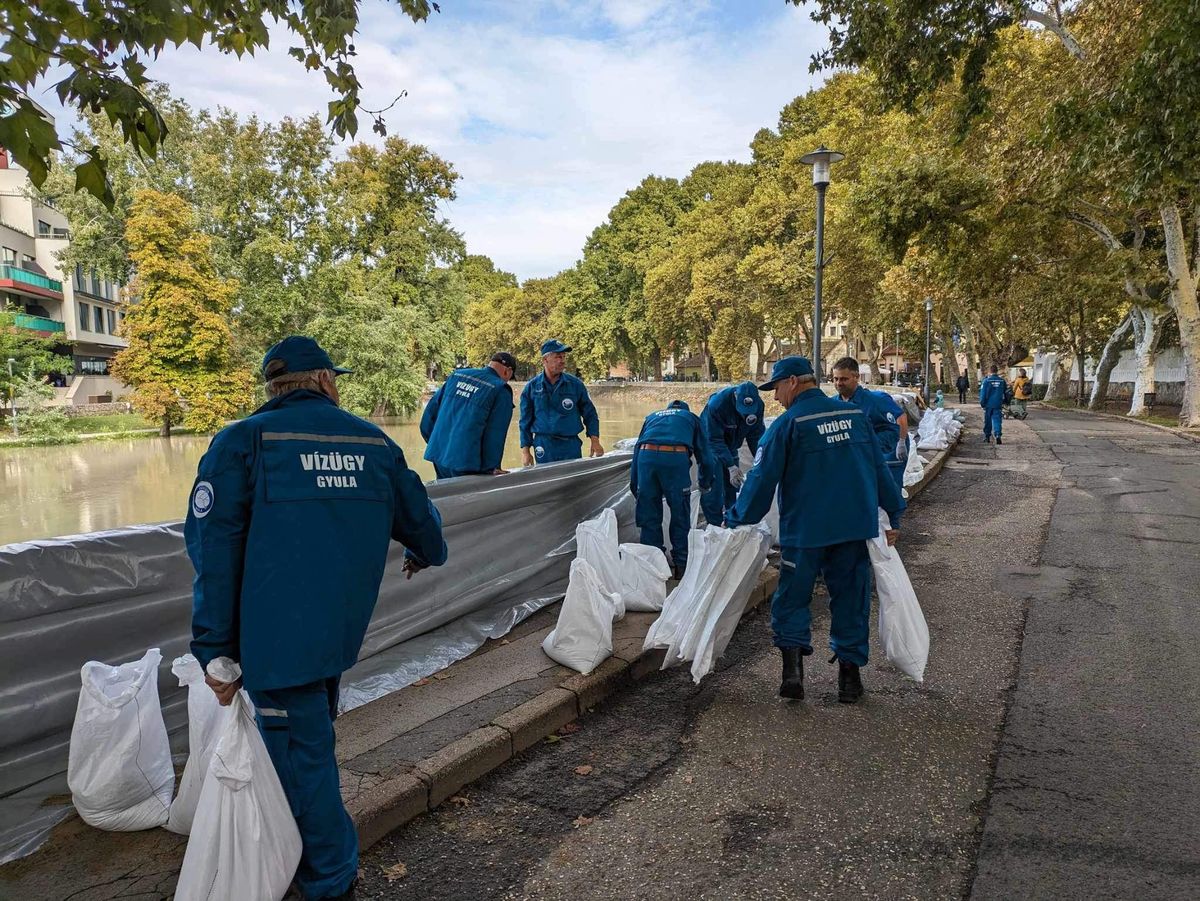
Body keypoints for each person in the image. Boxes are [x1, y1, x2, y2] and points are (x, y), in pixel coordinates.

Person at [185, 336, 448, 901]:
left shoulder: (241, 443)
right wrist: (423, 550)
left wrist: (215, 650)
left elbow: (213, 549)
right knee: (311, 744)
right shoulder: (374, 442)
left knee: (303, 763)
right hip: (337, 635)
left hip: (276, 645)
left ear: (272, 387)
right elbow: (423, 522)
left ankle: (329, 878)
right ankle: (311, 860)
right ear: (327, 381)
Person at [727, 357, 905, 704]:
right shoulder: (856, 418)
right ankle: (849, 682)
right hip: (853, 528)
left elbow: (760, 483)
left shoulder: (787, 425)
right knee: (851, 601)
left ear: (793, 381)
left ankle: (792, 674)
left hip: (806, 532)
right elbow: (879, 470)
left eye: (776, 388)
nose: (775, 397)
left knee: (792, 599)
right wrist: (894, 515)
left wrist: (735, 520)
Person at [630, 400, 716, 578]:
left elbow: (637, 450)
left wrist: (635, 486)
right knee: (679, 513)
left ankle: (653, 567)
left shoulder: (652, 417)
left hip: (646, 458)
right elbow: (706, 456)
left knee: (649, 515)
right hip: (674, 458)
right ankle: (681, 566)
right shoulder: (691, 418)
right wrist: (705, 483)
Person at [420, 352, 516, 479]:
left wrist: (436, 443)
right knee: (468, 498)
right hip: (466, 462)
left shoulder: (457, 375)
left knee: (445, 496)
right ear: (508, 371)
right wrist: (492, 466)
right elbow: (495, 433)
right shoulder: (500, 389)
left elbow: (429, 416)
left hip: (439, 456)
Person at [519, 339, 604, 465]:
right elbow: (525, 421)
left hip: (570, 445)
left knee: (573, 481)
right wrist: (526, 451)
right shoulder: (531, 388)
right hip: (544, 445)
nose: (562, 361)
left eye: (564, 357)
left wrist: (595, 440)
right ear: (545, 360)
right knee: (546, 481)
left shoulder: (575, 385)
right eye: (558, 357)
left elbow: (590, 414)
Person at [831, 357, 908, 494]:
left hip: (885, 453)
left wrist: (901, 442)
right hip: (855, 457)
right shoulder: (832, 404)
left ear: (856, 377)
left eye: (843, 379)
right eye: (835, 379)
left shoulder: (876, 400)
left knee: (888, 491)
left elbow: (900, 417)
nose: (838, 383)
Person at [699, 381, 765, 527]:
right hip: (711, 445)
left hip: (732, 444)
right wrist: (730, 466)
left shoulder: (758, 406)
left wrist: (762, 462)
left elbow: (756, 437)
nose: (745, 414)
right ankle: (715, 527)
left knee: (734, 485)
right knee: (714, 487)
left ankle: (732, 522)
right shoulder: (717, 404)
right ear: (735, 397)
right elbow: (714, 440)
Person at [980, 364, 1008, 444]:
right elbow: (1006, 393)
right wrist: (1006, 402)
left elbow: (983, 394)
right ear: (997, 371)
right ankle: (998, 435)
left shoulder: (986, 381)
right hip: (998, 404)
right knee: (997, 420)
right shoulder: (1002, 381)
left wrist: (982, 403)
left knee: (988, 421)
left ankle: (987, 436)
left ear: (990, 371)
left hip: (988, 404)